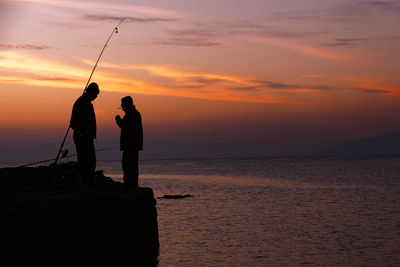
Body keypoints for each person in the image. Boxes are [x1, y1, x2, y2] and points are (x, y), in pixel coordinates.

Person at [70, 82, 99, 184]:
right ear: (91, 92)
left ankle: (87, 180)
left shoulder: (85, 103)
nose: (96, 97)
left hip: (86, 137)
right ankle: (86, 181)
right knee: (86, 160)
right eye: (96, 94)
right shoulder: (82, 103)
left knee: (88, 160)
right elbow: (73, 123)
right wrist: (83, 133)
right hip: (83, 137)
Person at [115, 96, 143, 187]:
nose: (122, 107)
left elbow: (126, 127)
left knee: (130, 166)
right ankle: (129, 184)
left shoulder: (133, 114)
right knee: (127, 165)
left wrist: (118, 120)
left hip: (131, 146)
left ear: (127, 105)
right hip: (129, 146)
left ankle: (131, 185)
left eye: (123, 105)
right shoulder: (130, 114)